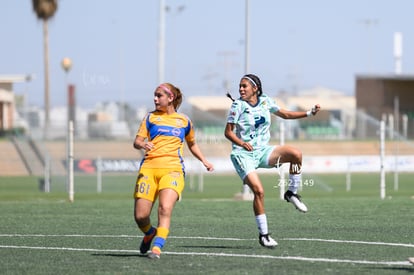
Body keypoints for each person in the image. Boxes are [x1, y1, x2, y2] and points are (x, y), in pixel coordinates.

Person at [224, 74, 320, 248]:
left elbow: (285, 114)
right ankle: (264, 235)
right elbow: (228, 133)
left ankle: (291, 193)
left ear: (256, 88)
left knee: (296, 154)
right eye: (240, 86)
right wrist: (241, 143)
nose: (241, 89)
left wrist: (309, 113)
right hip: (243, 154)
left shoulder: (266, 100)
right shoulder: (237, 105)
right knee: (259, 191)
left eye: (245, 86)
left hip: (262, 151)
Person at [133, 83, 214, 259]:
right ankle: (149, 233)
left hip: (173, 169)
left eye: (159, 95)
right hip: (149, 168)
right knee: (140, 216)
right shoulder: (150, 118)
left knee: (165, 208)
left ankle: (157, 248)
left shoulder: (184, 121)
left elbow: (192, 143)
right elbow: (136, 141)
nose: (155, 99)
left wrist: (204, 160)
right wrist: (143, 143)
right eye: (154, 95)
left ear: (170, 98)